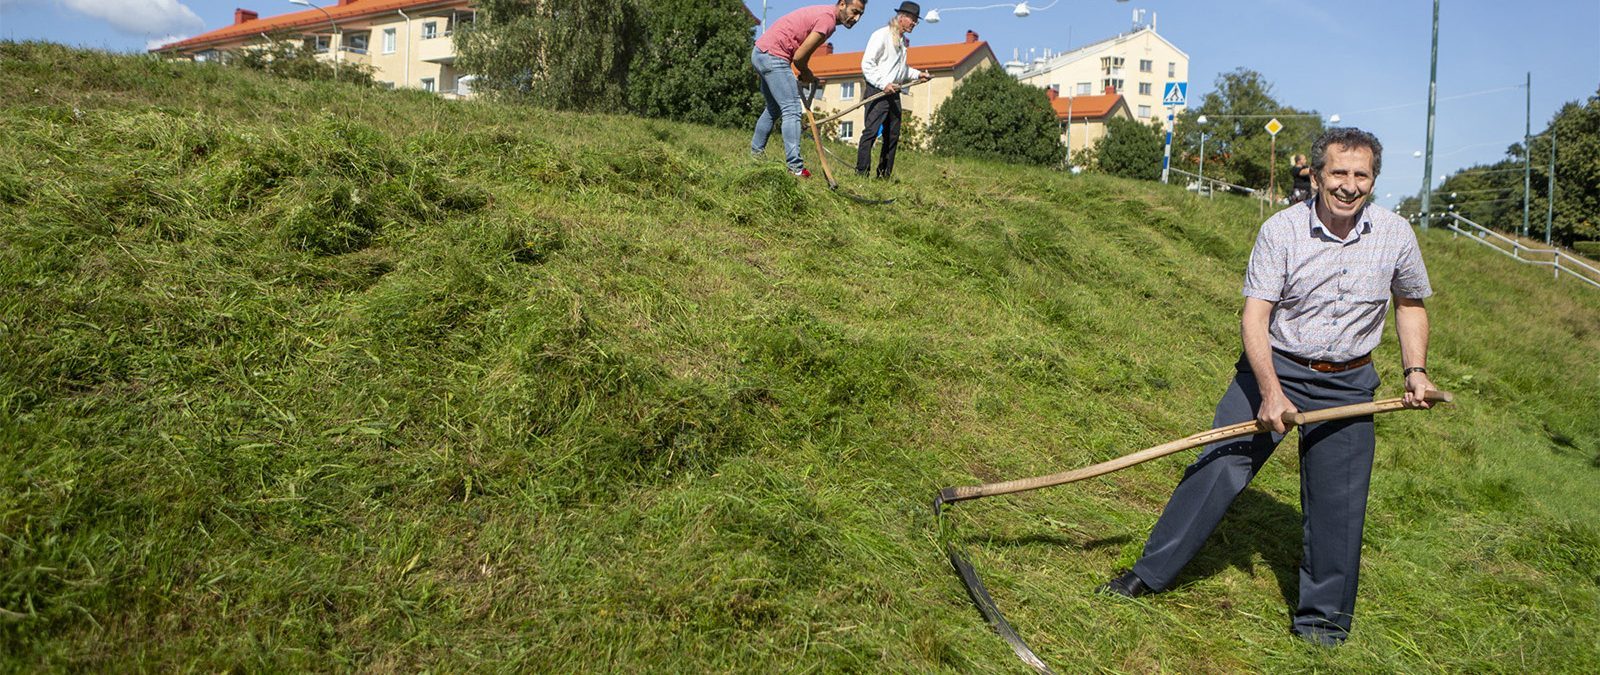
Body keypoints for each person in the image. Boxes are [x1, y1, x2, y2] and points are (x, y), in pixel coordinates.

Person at [1098, 128, 1437, 647]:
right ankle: (1148, 573)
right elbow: (1256, 317)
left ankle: (1321, 626)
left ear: (1374, 179)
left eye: (1361, 175)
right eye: (1339, 173)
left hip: (1348, 384)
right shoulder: (1282, 230)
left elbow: (1410, 303)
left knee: (1338, 505)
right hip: (1274, 366)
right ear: (1318, 174)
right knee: (1218, 467)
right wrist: (1271, 391)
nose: (1349, 185)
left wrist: (1415, 371)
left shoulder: (1395, 234)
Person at [750, 0, 869, 178]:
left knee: (774, 108)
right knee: (792, 109)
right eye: (854, 11)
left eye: (861, 14)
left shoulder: (824, 14)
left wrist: (806, 73)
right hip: (774, 56)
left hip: (760, 52)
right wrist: (806, 72)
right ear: (842, 4)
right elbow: (799, 58)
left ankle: (755, 156)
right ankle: (796, 168)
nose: (856, 18)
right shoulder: (827, 21)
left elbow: (799, 56)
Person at [855, 1, 931, 179]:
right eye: (912, 20)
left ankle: (884, 176)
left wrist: (919, 74)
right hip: (878, 91)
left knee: (892, 136)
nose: (914, 24)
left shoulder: (903, 42)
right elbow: (867, 64)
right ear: (902, 17)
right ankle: (861, 173)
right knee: (871, 132)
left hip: (894, 93)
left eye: (915, 21)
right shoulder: (881, 35)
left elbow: (901, 70)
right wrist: (883, 84)